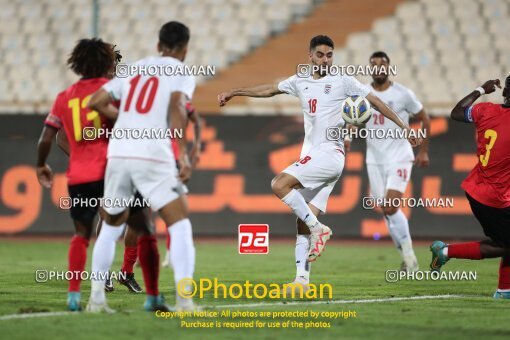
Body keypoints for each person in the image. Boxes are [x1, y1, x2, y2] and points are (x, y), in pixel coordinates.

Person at [218, 35, 420, 290]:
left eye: (330, 55)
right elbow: (270, 89)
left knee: (279, 184)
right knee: (302, 220)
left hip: (330, 154)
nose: (326, 60)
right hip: (313, 157)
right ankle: (301, 280)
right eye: (321, 55)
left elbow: (376, 102)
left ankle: (320, 230)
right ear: (310, 56)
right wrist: (235, 91)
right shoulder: (299, 80)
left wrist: (404, 127)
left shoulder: (343, 81)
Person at [86, 21, 198, 312]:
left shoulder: (135, 67)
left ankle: (96, 299)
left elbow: (95, 101)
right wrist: (183, 153)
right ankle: (185, 301)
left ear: (158, 46)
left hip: (119, 153)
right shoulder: (182, 71)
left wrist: (125, 117)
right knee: (180, 224)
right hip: (151, 154)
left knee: (110, 227)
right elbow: (176, 108)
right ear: (185, 49)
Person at [36, 39, 145, 311]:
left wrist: (42, 164)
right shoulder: (113, 92)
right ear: (106, 64)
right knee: (119, 225)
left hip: (79, 175)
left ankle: (75, 295)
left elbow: (49, 136)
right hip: (110, 170)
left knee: (81, 234)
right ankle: (101, 291)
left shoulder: (65, 96)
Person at [346, 51, 430, 272]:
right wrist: (348, 136)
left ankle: (410, 257)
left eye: (382, 64)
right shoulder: (363, 93)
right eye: (373, 64)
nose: (378, 68)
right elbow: (353, 119)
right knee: (385, 209)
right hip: (374, 159)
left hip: (400, 155)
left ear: (389, 67)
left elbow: (425, 118)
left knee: (391, 207)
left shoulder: (403, 94)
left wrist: (423, 151)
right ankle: (405, 255)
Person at [430, 77, 510, 299]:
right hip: (493, 197)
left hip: (478, 187)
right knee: (505, 245)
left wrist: (480, 90)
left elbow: (457, 112)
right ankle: (445, 251)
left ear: (505, 94)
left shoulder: (485, 110)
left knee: (506, 242)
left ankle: (505, 290)